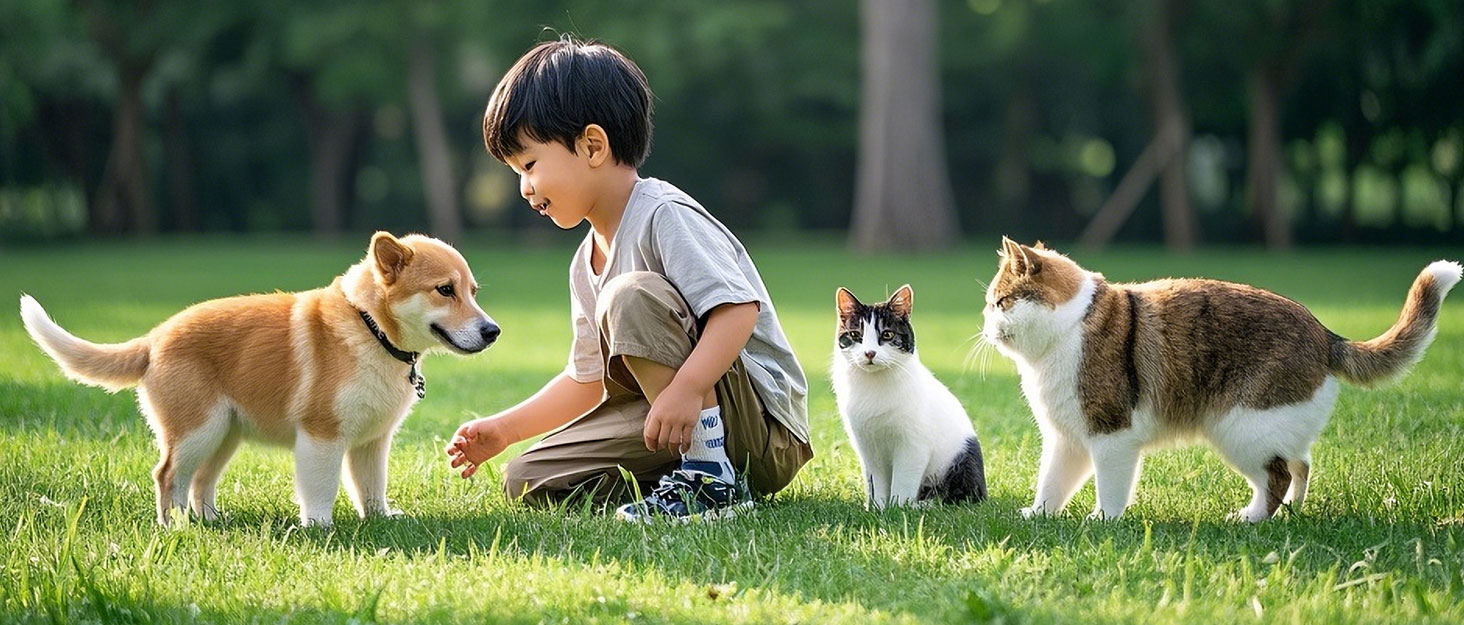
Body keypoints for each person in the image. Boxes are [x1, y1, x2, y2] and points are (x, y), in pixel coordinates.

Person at [444, 35, 812, 522]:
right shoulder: (584, 261)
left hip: (760, 429)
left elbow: (737, 311)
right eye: (515, 171)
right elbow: (587, 379)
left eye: (530, 164)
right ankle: (680, 480)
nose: (524, 187)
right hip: (673, 410)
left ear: (592, 145)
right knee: (528, 478)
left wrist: (686, 389)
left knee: (629, 295)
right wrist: (506, 430)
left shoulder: (664, 215)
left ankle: (711, 479)